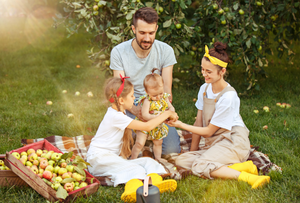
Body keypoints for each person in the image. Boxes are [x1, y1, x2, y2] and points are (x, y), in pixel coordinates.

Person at [167, 42, 270, 189]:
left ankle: (247, 177)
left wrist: (180, 125)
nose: (204, 74)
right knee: (182, 161)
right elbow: (198, 122)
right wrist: (194, 151)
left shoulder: (228, 97)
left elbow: (208, 131)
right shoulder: (204, 89)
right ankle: (241, 167)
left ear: (222, 71)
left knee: (200, 165)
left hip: (233, 141)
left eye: (209, 71)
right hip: (215, 141)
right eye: (202, 69)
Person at [86, 75, 177, 202]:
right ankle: (131, 191)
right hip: (98, 159)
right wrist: (166, 113)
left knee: (147, 161)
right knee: (136, 169)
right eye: (132, 96)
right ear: (121, 100)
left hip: (108, 158)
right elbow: (147, 126)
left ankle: (156, 182)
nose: (134, 98)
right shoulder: (116, 117)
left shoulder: (119, 112)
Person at [109, 7, 181, 155]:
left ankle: (145, 135)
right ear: (133, 29)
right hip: (130, 105)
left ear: (156, 29)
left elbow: (167, 90)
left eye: (151, 33)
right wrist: (139, 112)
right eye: (142, 33)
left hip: (156, 104)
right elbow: (119, 92)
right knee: (119, 149)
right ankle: (140, 135)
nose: (147, 38)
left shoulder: (166, 51)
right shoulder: (119, 52)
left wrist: (161, 113)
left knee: (171, 151)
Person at [131, 68, 175, 161]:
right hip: (145, 124)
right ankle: (133, 159)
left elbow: (170, 107)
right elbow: (145, 115)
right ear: (147, 92)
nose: (158, 97)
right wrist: (156, 117)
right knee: (140, 143)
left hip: (157, 126)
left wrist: (171, 112)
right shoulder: (147, 101)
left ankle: (157, 160)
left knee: (158, 143)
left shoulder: (164, 97)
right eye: (155, 95)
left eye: (160, 93)